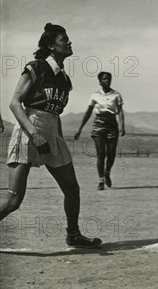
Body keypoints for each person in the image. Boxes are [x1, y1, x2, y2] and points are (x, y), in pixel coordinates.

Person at [0, 23, 102, 248]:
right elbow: (15, 103)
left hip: (52, 132)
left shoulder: (64, 80)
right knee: (14, 200)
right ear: (51, 46)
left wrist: (58, 140)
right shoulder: (35, 67)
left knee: (72, 190)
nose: (69, 42)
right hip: (30, 129)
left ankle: (73, 235)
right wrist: (34, 133)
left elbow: (55, 113)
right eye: (63, 39)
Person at [74, 72, 126, 190]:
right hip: (98, 124)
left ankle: (107, 172)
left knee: (111, 154)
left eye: (109, 79)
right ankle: (101, 180)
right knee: (100, 153)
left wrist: (122, 126)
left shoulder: (116, 95)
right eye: (104, 79)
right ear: (99, 81)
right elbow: (88, 112)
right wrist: (80, 129)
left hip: (112, 124)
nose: (107, 81)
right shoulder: (94, 95)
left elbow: (120, 111)